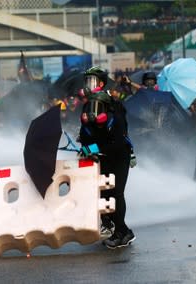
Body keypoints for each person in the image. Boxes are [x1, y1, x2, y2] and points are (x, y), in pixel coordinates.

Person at [78, 66, 137, 249]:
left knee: (116, 192)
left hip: (118, 154)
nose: (88, 85)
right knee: (103, 192)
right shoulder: (90, 104)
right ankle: (109, 224)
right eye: (86, 81)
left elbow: (117, 137)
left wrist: (94, 147)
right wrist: (86, 147)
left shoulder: (111, 104)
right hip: (104, 155)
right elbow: (88, 133)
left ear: (101, 84)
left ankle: (123, 232)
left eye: (92, 81)